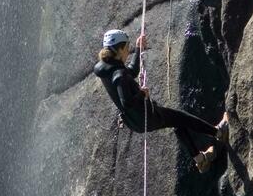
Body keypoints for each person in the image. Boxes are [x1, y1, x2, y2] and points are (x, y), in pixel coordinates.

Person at [93, 28, 229, 173]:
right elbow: (126, 101)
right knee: (182, 118)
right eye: (127, 48)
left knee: (177, 122)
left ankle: (201, 160)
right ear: (119, 50)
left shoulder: (105, 67)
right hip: (146, 116)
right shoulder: (118, 74)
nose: (128, 51)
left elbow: (131, 71)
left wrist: (138, 49)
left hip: (134, 121)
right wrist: (140, 94)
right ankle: (219, 132)